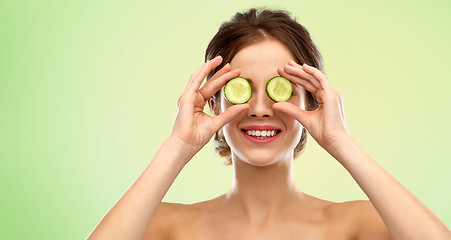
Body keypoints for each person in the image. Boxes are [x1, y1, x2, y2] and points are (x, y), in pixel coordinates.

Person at [87, 8, 451, 240]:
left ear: (314, 101)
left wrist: (341, 141)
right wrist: (178, 144)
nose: (261, 109)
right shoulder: (166, 227)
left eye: (281, 91)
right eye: (241, 90)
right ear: (213, 102)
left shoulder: (355, 224)